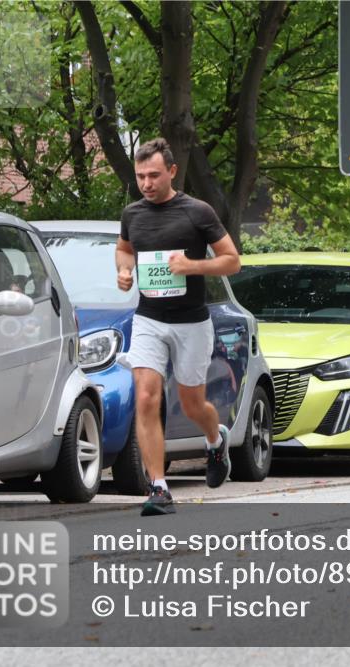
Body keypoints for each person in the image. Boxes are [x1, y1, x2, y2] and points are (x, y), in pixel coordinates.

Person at [115, 138, 241, 515]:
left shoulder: (197, 212)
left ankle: (215, 439)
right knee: (146, 397)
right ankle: (158, 488)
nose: (146, 183)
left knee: (191, 404)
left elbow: (232, 260)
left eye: (154, 175)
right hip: (149, 318)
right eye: (141, 176)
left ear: (172, 171)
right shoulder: (132, 214)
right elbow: (124, 249)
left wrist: (192, 267)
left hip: (191, 323)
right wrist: (124, 270)